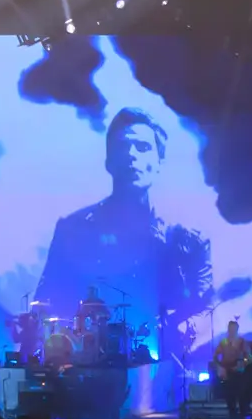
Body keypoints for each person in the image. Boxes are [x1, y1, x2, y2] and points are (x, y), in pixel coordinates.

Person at [39, 108, 215, 374]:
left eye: (143, 147)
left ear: (160, 160)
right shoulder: (72, 230)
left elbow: (204, 309)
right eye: (123, 147)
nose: (132, 155)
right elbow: (46, 301)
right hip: (83, 362)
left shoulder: (188, 239)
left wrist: (179, 328)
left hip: (169, 366)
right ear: (109, 161)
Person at [214, 317, 252, 419]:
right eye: (230, 329)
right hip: (227, 369)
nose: (231, 331)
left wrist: (244, 363)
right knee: (228, 391)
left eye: (233, 329)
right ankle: (232, 413)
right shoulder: (224, 342)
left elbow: (248, 357)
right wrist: (220, 367)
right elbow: (216, 356)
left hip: (239, 369)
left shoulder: (241, 342)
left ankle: (244, 411)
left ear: (237, 330)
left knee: (243, 387)